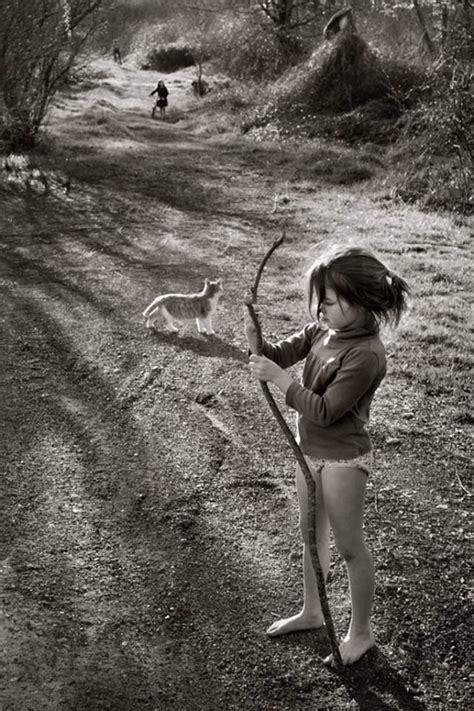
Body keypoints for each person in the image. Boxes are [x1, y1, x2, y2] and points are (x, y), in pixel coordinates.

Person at [245, 245, 410, 667]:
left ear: (359, 303)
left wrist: (280, 380)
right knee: (310, 536)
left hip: (342, 461)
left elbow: (324, 409)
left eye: (330, 301)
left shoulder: (366, 354)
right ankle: (313, 610)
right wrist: (258, 340)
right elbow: (281, 353)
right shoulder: (322, 331)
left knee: (350, 546)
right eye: (318, 299)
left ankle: (361, 633)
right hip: (310, 452)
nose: (320, 308)